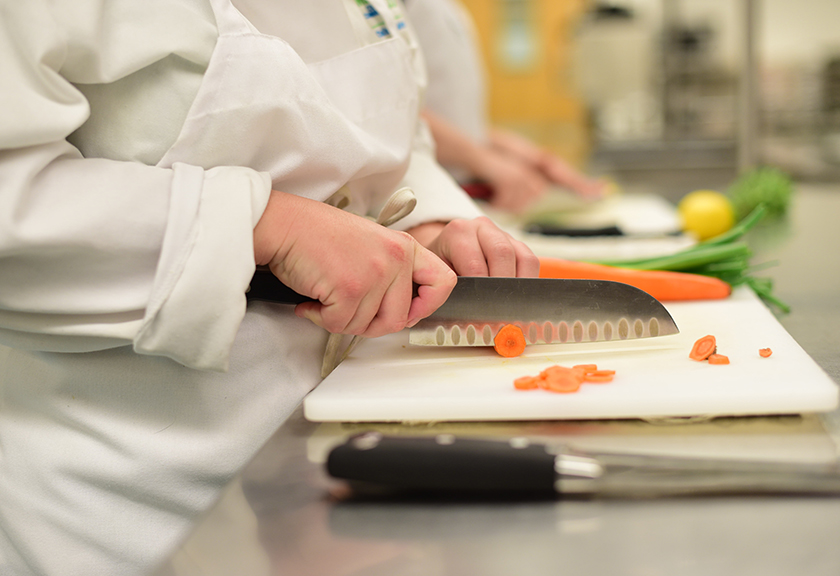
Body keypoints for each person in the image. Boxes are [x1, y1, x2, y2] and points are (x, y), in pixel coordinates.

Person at [0, 1, 539, 575]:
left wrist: (422, 226)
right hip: (136, 501)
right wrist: (265, 226)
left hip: (344, 467)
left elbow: (383, 138)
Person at [404, 0, 607, 214]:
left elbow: (454, 118)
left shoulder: (448, 8)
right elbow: (397, 114)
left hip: (451, 188)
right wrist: (484, 161)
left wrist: (536, 158)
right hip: (416, 195)